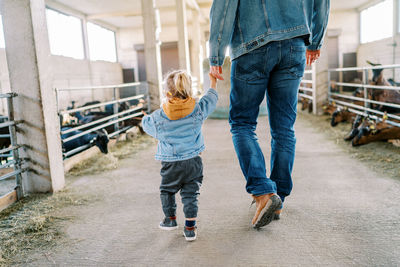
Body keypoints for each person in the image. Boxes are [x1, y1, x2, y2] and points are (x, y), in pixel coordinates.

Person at [208, 0, 330, 229]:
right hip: (295, 44)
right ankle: (279, 199)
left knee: (242, 124)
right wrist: (316, 40)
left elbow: (223, 8)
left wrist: (216, 55)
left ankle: (264, 193)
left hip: (251, 46)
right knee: (284, 128)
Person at [142, 70, 218, 241]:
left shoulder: (159, 117)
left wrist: (145, 118)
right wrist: (212, 83)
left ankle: (170, 220)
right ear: (188, 89)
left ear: (167, 93)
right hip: (193, 161)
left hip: (171, 163)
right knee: (191, 194)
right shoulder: (197, 109)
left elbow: (146, 125)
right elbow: (211, 99)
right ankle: (190, 229)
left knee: (167, 190)